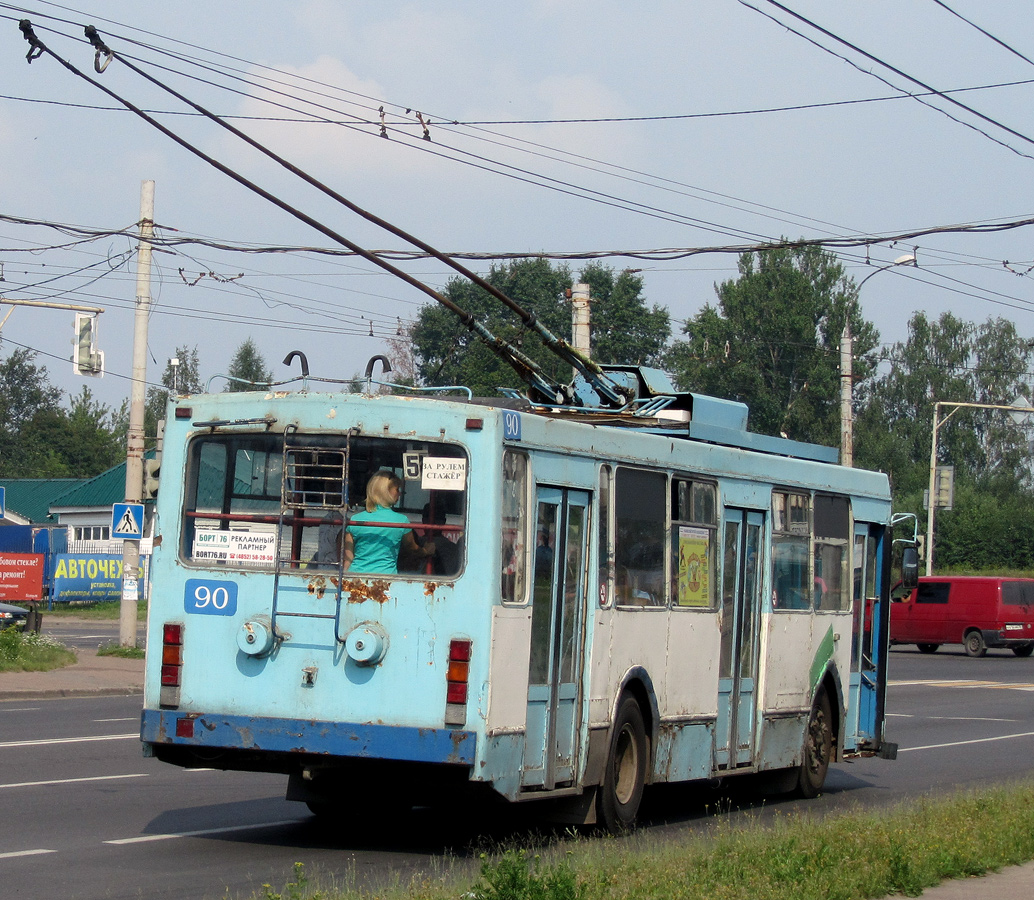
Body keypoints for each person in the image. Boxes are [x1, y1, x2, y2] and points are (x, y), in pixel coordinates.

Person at [342, 471, 433, 574]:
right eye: (397, 489)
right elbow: (413, 549)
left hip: (355, 577)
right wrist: (426, 551)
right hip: (385, 579)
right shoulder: (401, 521)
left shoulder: (355, 519)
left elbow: (348, 560)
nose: (399, 493)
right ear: (386, 491)